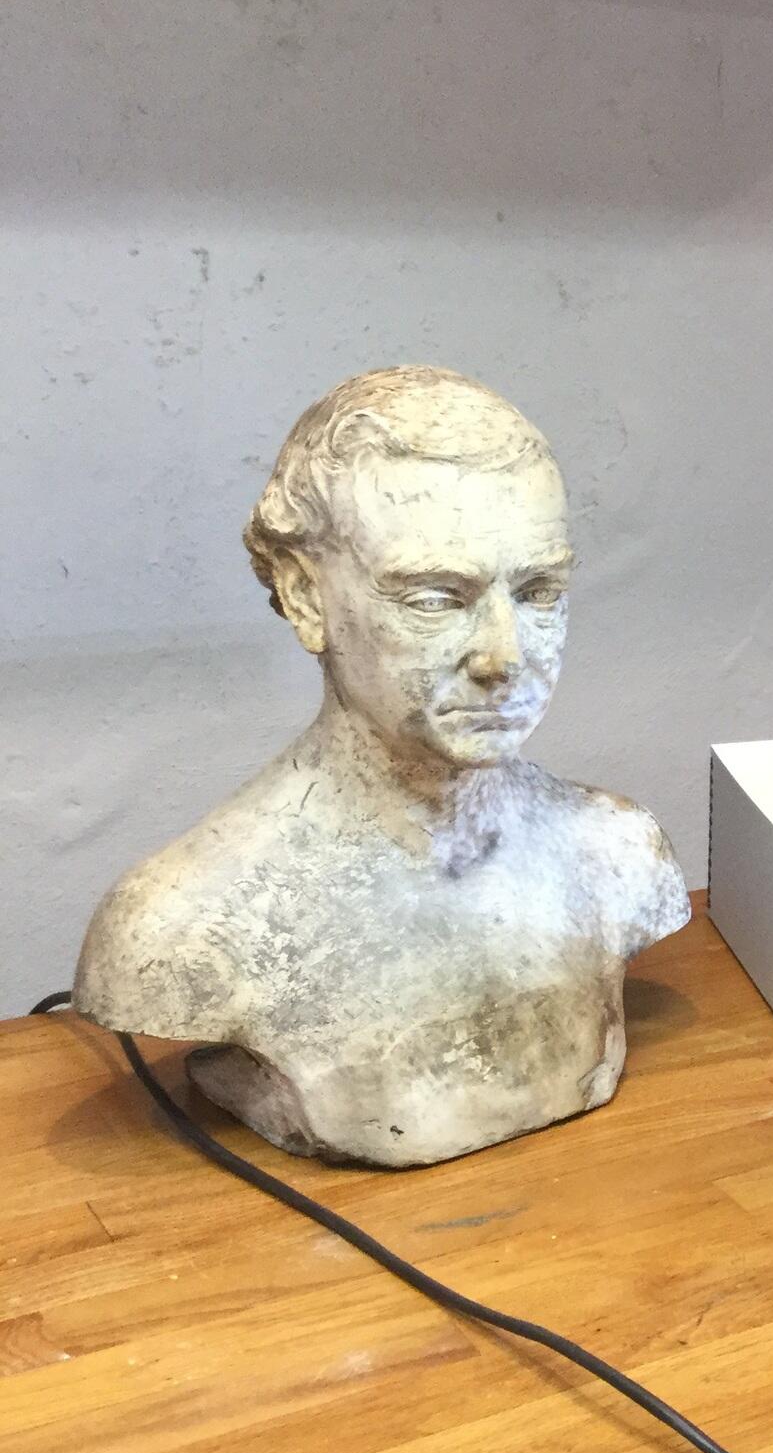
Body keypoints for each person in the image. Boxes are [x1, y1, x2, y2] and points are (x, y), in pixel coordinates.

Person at [74, 366, 689, 1168]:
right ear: (305, 596)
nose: (505, 656)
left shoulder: (618, 854)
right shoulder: (178, 923)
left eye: (538, 590)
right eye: (436, 598)